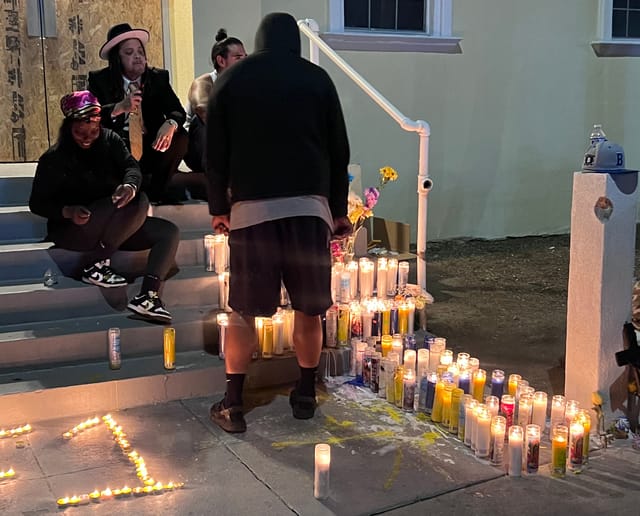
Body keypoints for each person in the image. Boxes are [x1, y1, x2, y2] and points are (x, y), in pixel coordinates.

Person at [205, 12, 352, 433]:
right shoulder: (318, 80)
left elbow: (215, 151)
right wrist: (338, 210)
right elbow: (338, 150)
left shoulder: (231, 80)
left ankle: (233, 403)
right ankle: (304, 393)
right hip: (309, 213)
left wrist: (219, 207)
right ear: (295, 43)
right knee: (309, 310)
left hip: (252, 214)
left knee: (243, 313)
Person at [29, 91, 179, 323]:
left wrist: (128, 186)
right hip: (76, 229)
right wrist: (67, 211)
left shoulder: (110, 141)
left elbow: (132, 168)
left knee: (166, 230)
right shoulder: (54, 158)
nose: (87, 137)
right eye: (80, 132)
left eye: (93, 131)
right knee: (139, 202)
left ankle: (148, 296)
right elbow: (37, 203)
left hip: (113, 228)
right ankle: (95, 263)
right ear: (68, 128)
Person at [88, 23, 188, 203]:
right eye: (129, 53)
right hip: (118, 146)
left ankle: (157, 190)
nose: (138, 57)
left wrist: (171, 123)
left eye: (140, 51)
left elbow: (177, 110)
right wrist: (119, 107)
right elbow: (90, 116)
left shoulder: (158, 77)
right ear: (116, 59)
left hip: (151, 144)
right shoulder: (99, 80)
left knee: (181, 136)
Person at [181, 29, 246, 200]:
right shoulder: (203, 82)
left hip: (231, 146)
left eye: (245, 57)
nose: (245, 62)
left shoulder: (245, 85)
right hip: (199, 149)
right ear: (221, 60)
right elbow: (204, 111)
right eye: (239, 58)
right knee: (203, 120)